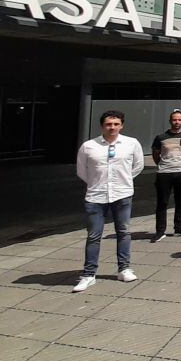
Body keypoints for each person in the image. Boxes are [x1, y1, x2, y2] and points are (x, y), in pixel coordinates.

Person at [73, 110, 144, 292]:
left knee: (124, 232)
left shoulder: (131, 143)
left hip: (122, 194)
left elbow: (138, 166)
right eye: (108, 124)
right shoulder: (89, 146)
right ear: (102, 126)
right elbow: (82, 170)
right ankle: (89, 274)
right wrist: (98, 183)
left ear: (121, 125)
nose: (112, 127)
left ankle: (124, 268)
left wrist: (124, 181)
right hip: (96, 196)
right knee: (94, 236)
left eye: (116, 124)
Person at [150, 110, 181, 243]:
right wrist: (163, 165)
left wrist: (179, 162)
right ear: (170, 121)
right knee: (162, 202)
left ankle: (179, 227)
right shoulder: (161, 137)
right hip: (164, 173)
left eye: (180, 119)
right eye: (174, 120)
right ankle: (160, 231)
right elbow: (155, 154)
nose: (177, 122)